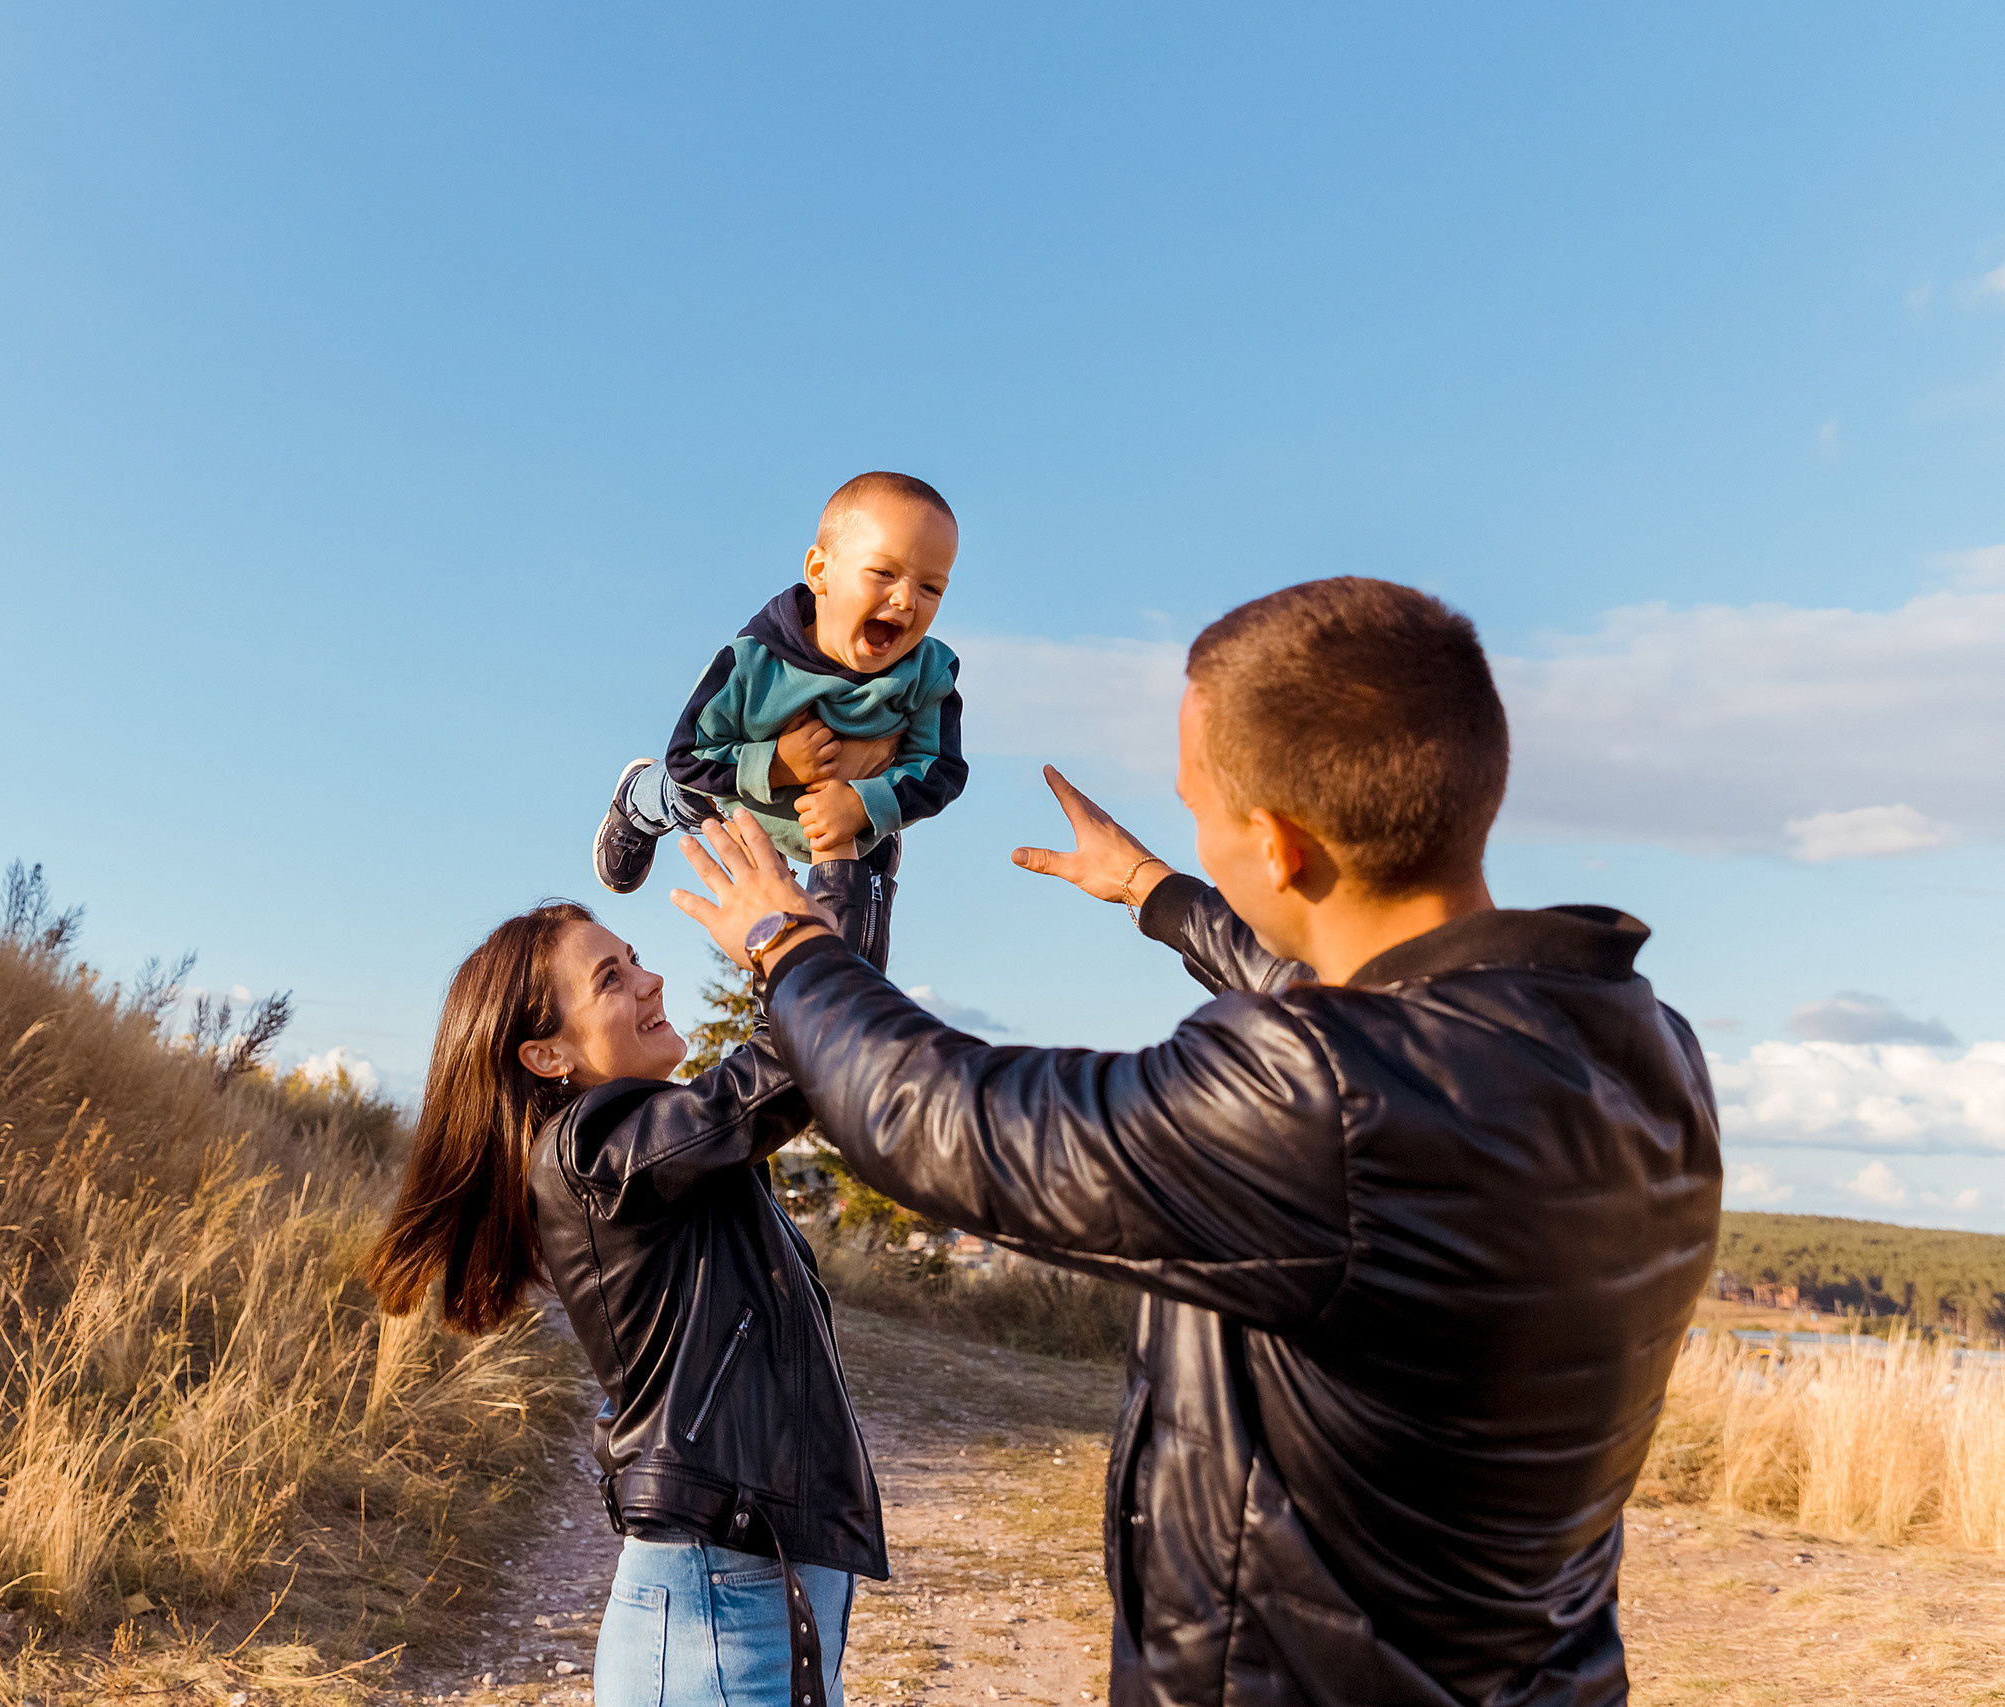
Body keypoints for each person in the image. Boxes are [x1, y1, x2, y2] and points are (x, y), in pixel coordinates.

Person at [670, 577, 1723, 1707]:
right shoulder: (1640, 1047)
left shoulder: (1323, 1099)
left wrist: (791, 943)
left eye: (1199, 810)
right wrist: (1153, 891)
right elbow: (1354, 1014)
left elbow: (940, 1118)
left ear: (1276, 843)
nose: (1199, 837)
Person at [362, 849, 898, 1707]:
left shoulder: (654, 1156)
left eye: (635, 958)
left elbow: (835, 1041)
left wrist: (860, 851)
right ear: (547, 1055)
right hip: (718, 1611)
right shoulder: (591, 1149)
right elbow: (786, 1070)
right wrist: (802, 907)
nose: (651, 980)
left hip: (754, 1594)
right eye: (611, 978)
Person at [592, 471, 967, 895]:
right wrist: (777, 765)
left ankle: (873, 841)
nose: (905, 600)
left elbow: (942, 769)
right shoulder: (751, 663)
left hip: (842, 819)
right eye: (883, 572)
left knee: (857, 893)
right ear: (820, 571)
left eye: (931, 588)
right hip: (736, 799)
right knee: (684, 793)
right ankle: (636, 804)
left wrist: (866, 805)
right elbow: (687, 756)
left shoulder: (928, 674)